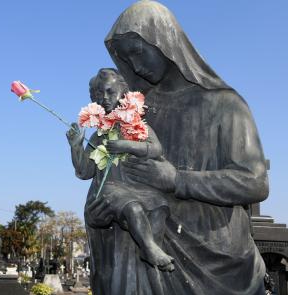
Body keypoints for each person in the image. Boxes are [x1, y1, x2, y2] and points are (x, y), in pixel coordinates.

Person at [84, 1, 269, 294]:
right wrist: (98, 217)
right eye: (127, 57)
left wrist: (176, 179)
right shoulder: (134, 112)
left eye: (139, 52)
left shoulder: (225, 105)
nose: (135, 65)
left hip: (215, 260)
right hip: (147, 254)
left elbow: (254, 182)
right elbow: (111, 181)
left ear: (164, 42)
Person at [67, 68, 174, 271]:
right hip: (105, 196)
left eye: (110, 92)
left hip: (136, 191)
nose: (105, 98)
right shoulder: (99, 135)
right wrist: (75, 147)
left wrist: (125, 145)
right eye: (99, 94)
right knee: (131, 205)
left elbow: (156, 149)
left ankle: (151, 256)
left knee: (159, 205)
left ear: (123, 94)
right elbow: (84, 172)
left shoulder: (137, 127)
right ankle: (149, 247)